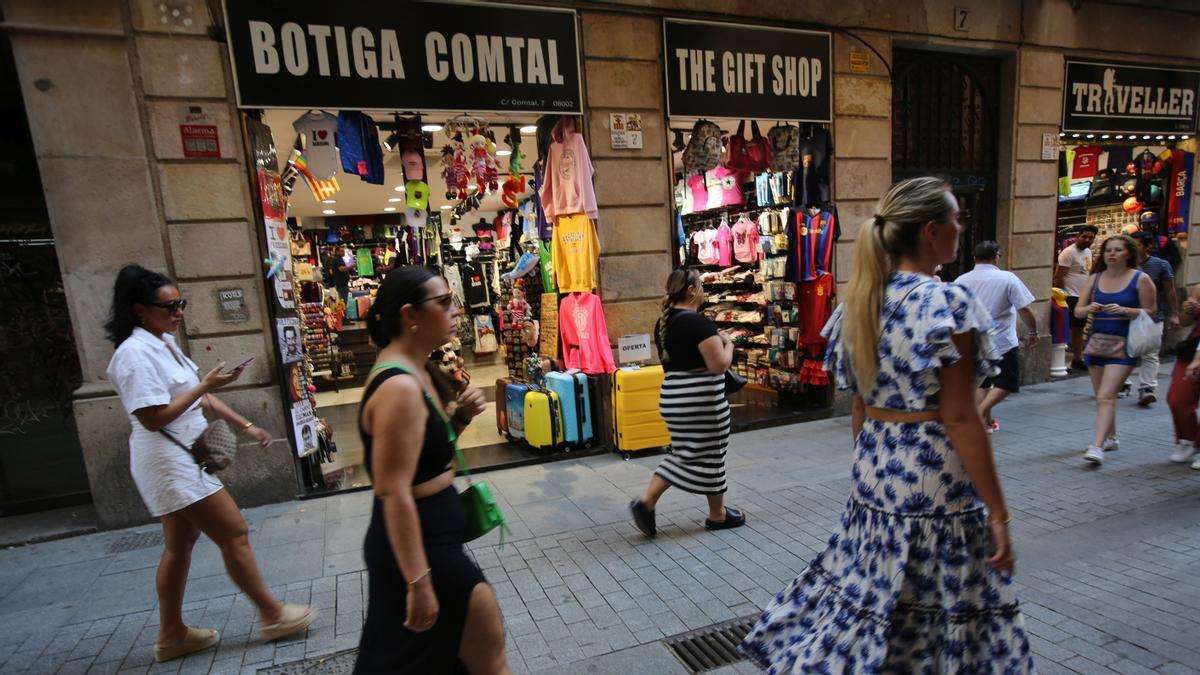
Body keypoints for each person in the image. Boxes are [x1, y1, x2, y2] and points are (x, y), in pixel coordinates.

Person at [740, 177, 1032, 672]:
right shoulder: (946, 305)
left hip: (874, 467)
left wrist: (870, 471)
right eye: (957, 219)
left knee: (875, 590)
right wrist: (999, 516)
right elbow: (961, 417)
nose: (962, 228)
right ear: (932, 232)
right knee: (938, 598)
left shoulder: (859, 302)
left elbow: (858, 408)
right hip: (932, 475)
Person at [103, 265, 316, 663]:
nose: (178, 312)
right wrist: (205, 386)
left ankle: (172, 634)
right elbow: (153, 416)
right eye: (169, 306)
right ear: (139, 310)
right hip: (169, 460)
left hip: (181, 456)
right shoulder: (133, 354)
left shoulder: (162, 342)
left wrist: (246, 424)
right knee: (233, 532)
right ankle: (271, 614)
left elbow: (200, 396)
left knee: (179, 545)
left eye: (180, 303)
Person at [355, 266, 508, 673]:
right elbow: (394, 491)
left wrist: (459, 418)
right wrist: (418, 582)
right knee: (487, 657)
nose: (455, 310)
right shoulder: (400, 387)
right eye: (443, 303)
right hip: (422, 550)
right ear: (411, 315)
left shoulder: (419, 371)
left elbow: (427, 458)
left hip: (433, 540)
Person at [629, 267, 744, 537]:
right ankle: (715, 515)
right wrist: (728, 343)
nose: (703, 289)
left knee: (685, 453)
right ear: (691, 290)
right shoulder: (697, 323)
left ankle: (653, 503)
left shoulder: (664, 323)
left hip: (674, 397)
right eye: (700, 285)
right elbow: (718, 365)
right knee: (710, 455)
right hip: (701, 400)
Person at [1075, 234, 1156, 464]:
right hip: (1097, 341)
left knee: (1106, 395)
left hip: (1125, 343)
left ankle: (1097, 446)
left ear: (1129, 253)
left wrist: (1125, 310)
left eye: (1118, 250)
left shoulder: (1141, 279)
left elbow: (1151, 310)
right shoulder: (1094, 279)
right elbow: (1078, 311)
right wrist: (1089, 307)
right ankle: (1110, 437)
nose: (1111, 254)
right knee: (1101, 396)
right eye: (1108, 250)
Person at [955, 240, 1039, 432]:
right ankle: (979, 414)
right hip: (1001, 341)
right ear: (996, 257)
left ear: (974, 258)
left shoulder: (961, 280)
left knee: (982, 381)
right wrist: (1033, 331)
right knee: (1008, 382)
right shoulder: (1007, 278)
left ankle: (986, 420)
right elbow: (1024, 308)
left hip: (972, 341)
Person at [1132, 230, 1179, 406]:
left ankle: (1147, 389)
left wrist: (1174, 314)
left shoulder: (1161, 265)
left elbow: (1170, 291)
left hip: (1152, 316)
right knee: (1125, 352)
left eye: (1136, 245)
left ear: (1148, 247)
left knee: (1150, 354)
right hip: (1127, 315)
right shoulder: (1123, 265)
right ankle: (1123, 383)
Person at [1166, 284, 1200, 469]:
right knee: (1177, 399)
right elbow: (1185, 321)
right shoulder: (1199, 289)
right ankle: (1188, 440)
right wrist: (1188, 311)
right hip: (1192, 350)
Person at [1055, 225, 1097, 370]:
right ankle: (1069, 359)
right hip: (1069, 295)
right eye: (1084, 236)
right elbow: (1059, 276)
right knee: (1070, 328)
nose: (1087, 240)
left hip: (1082, 295)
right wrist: (1062, 296)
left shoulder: (1087, 252)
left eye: (1091, 237)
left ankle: (1078, 358)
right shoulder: (1068, 253)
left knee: (1079, 328)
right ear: (1078, 236)